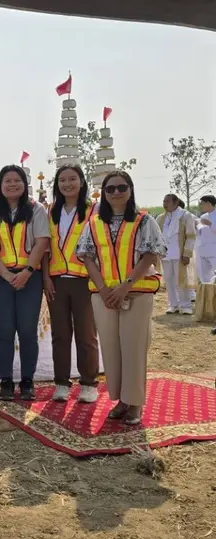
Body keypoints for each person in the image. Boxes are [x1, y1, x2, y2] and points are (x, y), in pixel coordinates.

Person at [76, 171, 164, 425]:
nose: (116, 192)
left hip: (136, 291)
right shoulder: (94, 223)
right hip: (103, 295)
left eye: (121, 187)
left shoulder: (144, 221)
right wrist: (104, 289)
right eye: (110, 189)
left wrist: (125, 287)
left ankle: (135, 402)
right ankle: (121, 400)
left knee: (133, 347)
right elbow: (87, 257)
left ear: (130, 190)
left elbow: (150, 255)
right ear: (103, 193)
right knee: (111, 348)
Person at [0, 165, 50, 401]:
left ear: (25, 184)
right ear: (0, 185)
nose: (12, 185)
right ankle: (5, 380)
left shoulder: (36, 209)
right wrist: (5, 274)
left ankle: (27, 380)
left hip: (30, 278)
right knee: (4, 330)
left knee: (27, 331)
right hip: (1, 278)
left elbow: (42, 242)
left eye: (17, 180)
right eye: (7, 181)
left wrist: (27, 271)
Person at [41, 165, 100, 403]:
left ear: (81, 181)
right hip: (56, 280)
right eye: (62, 180)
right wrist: (46, 277)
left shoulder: (94, 210)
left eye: (72, 179)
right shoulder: (50, 211)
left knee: (86, 335)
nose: (67, 184)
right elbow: (45, 248)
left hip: (84, 280)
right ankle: (61, 382)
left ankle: (88, 383)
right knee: (60, 334)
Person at [158, 193, 196, 314]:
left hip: (179, 253)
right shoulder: (161, 218)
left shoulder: (185, 216)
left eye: (167, 201)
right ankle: (173, 305)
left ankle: (185, 305)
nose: (165, 204)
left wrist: (187, 253)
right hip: (165, 254)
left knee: (181, 280)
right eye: (164, 201)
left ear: (176, 203)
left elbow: (191, 236)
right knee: (169, 279)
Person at [196, 195, 216, 284]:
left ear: (208, 203)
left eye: (202, 203)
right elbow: (200, 233)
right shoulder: (203, 216)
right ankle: (207, 291)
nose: (201, 206)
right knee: (204, 277)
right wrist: (196, 227)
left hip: (214, 250)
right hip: (203, 250)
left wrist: (210, 224)